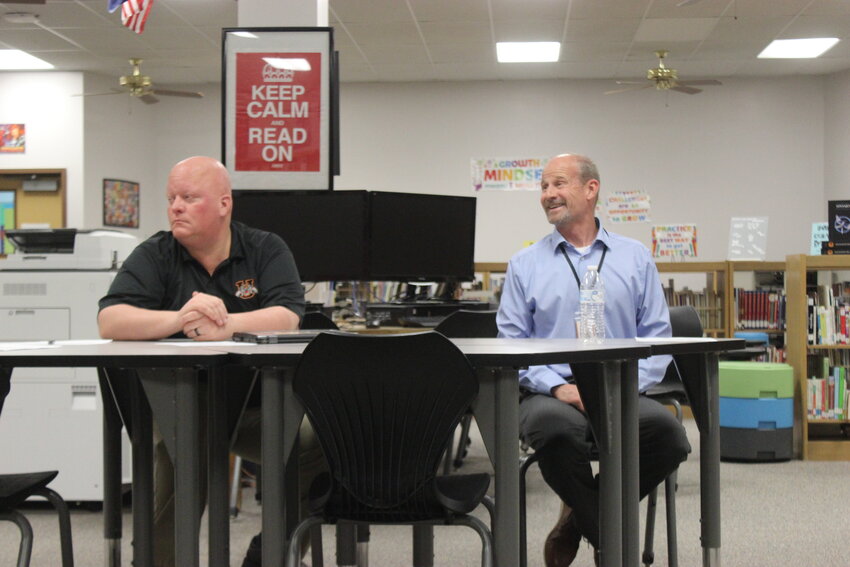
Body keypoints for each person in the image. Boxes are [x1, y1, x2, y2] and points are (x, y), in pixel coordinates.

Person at [98, 156, 324, 567]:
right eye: (171, 199)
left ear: (224, 204)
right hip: (184, 405)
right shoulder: (156, 254)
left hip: (259, 409)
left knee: (325, 437)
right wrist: (180, 318)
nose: (175, 208)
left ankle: (273, 551)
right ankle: (158, 561)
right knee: (183, 444)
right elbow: (110, 319)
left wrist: (227, 326)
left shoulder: (264, 248)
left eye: (188, 197)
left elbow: (289, 314)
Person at [497, 153, 690, 567]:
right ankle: (610, 540)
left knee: (669, 435)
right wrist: (558, 387)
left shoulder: (635, 257)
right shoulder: (524, 265)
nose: (549, 194)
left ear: (591, 189)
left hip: (620, 387)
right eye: (544, 187)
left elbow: (657, 338)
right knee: (555, 432)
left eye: (558, 184)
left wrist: (621, 388)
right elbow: (511, 344)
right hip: (551, 391)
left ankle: (578, 517)